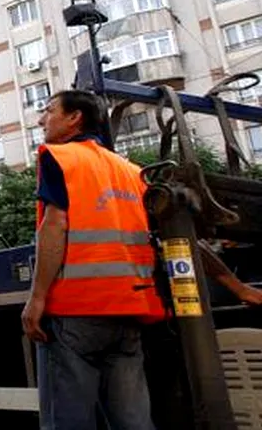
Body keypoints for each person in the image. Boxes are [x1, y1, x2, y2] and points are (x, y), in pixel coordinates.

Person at [22, 89, 165, 430]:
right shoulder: (132, 171)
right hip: (129, 309)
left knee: (70, 421)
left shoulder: (61, 158)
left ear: (75, 118)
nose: (42, 120)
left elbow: (54, 226)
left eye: (49, 111)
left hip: (77, 311)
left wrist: (37, 298)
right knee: (133, 421)